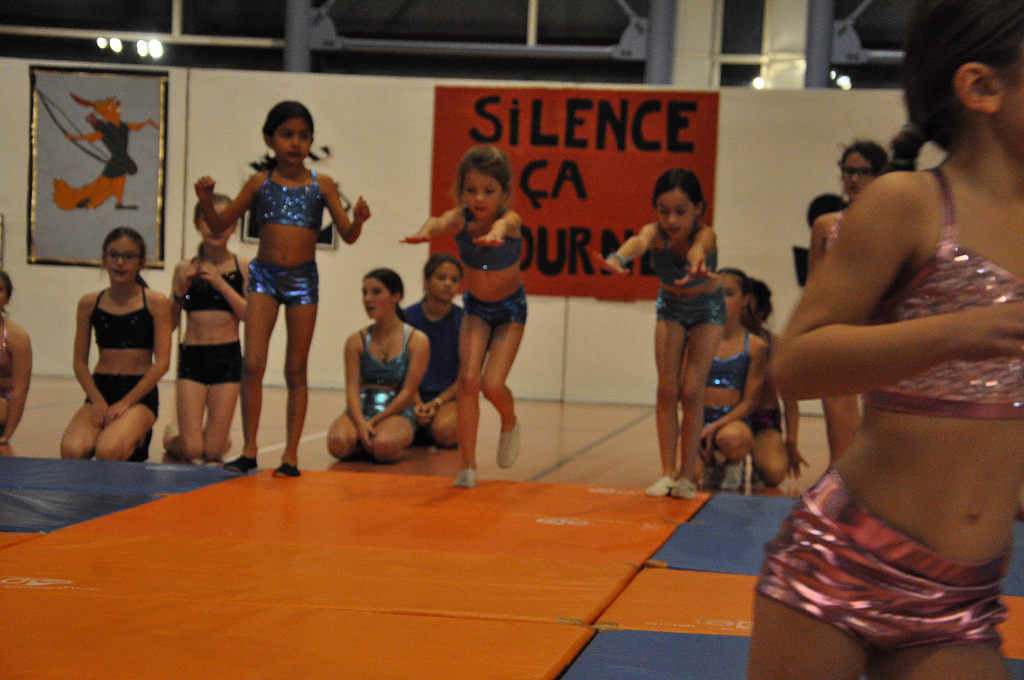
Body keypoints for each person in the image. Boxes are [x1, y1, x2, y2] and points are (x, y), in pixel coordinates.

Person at [749, 2, 1024, 677]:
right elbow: (797, 363)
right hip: (841, 565)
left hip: (962, 598)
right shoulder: (911, 204)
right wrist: (960, 330)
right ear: (981, 87)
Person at [194, 100, 371, 477]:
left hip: (303, 280)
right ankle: (249, 449)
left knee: (296, 369)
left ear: (312, 142)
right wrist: (206, 202)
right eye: (287, 135)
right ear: (269, 139)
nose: (295, 143)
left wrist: (358, 220)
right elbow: (221, 222)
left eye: (304, 136)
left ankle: (290, 455)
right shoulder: (260, 182)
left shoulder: (322, 185)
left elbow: (348, 235)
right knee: (252, 364)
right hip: (264, 278)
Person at [590, 168, 724, 499]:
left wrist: (697, 261)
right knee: (667, 389)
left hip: (707, 310)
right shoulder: (655, 232)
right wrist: (618, 257)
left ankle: (687, 475)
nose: (671, 220)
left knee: (692, 390)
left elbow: (698, 249)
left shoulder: (706, 235)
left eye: (680, 211)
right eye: (664, 211)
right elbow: (639, 242)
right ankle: (667, 473)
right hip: (671, 307)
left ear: (698, 209)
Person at [402, 145, 525, 488]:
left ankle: (509, 420)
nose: (479, 198)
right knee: (469, 380)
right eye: (471, 190)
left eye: (488, 191)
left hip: (510, 309)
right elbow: (439, 221)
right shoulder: (460, 218)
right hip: (477, 308)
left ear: (504, 192)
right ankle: (467, 465)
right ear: (461, 191)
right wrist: (425, 231)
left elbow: (505, 224)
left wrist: (496, 233)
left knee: (492, 384)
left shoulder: (510, 220)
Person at [807, 140, 889, 463]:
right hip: (836, 323)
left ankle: (873, 481)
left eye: (863, 172)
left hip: (879, 325)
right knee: (836, 400)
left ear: (879, 176)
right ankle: (840, 480)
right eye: (848, 171)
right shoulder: (825, 226)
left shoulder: (893, 225)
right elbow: (814, 286)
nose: (854, 179)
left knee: (881, 408)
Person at [60, 227, 171, 461]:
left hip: (138, 392)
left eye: (128, 256)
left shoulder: (156, 302)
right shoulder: (89, 303)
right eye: (114, 255)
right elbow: (79, 363)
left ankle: (137, 439)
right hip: (101, 389)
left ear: (141, 262)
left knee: (108, 450)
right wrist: (97, 400)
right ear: (104, 259)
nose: (120, 263)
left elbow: (162, 363)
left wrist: (126, 403)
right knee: (72, 449)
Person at [163, 195, 248, 463]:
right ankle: (172, 437)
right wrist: (180, 291)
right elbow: (170, 323)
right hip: (193, 357)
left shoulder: (241, 267)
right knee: (192, 451)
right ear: (197, 224)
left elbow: (249, 315)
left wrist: (220, 283)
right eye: (208, 220)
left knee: (212, 452)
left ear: (234, 226)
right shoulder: (185, 268)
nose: (215, 227)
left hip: (227, 358)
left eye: (223, 220)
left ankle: (217, 439)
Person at [326, 269, 429, 462]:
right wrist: (360, 422)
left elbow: (408, 391)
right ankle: (363, 441)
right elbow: (352, 388)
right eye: (365, 292)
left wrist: (374, 421)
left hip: (397, 409)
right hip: (362, 406)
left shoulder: (417, 340)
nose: (368, 299)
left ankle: (382, 439)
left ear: (396, 296)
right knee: (338, 444)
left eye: (376, 292)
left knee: (384, 446)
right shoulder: (356, 340)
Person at [698, 268, 768, 492]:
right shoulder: (696, 340)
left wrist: (716, 426)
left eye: (729, 294)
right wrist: (696, 427)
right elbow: (686, 390)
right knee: (690, 477)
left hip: (732, 420)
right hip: (699, 418)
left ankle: (733, 462)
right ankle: (711, 463)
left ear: (746, 299)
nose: (721, 300)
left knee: (732, 438)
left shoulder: (755, 346)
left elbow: (749, 402)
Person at [743, 277, 805, 488]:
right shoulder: (721, 341)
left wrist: (791, 444)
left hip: (764, 420)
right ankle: (731, 460)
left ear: (762, 312)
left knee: (774, 472)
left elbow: (790, 400)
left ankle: (758, 462)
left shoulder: (776, 345)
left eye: (746, 308)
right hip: (728, 418)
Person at [404, 253, 464, 448]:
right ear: (426, 280)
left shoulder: (466, 322)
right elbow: (400, 369)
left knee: (445, 432)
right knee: (386, 439)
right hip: (408, 396)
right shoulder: (406, 318)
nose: (448, 284)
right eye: (441, 277)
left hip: (446, 400)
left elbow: (466, 376)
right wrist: (417, 402)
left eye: (454, 279)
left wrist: (437, 403)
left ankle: (429, 428)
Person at [0, 271, 32, 456]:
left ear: (7, 298)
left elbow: (21, 389)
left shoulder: (17, 337)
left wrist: (7, 434)